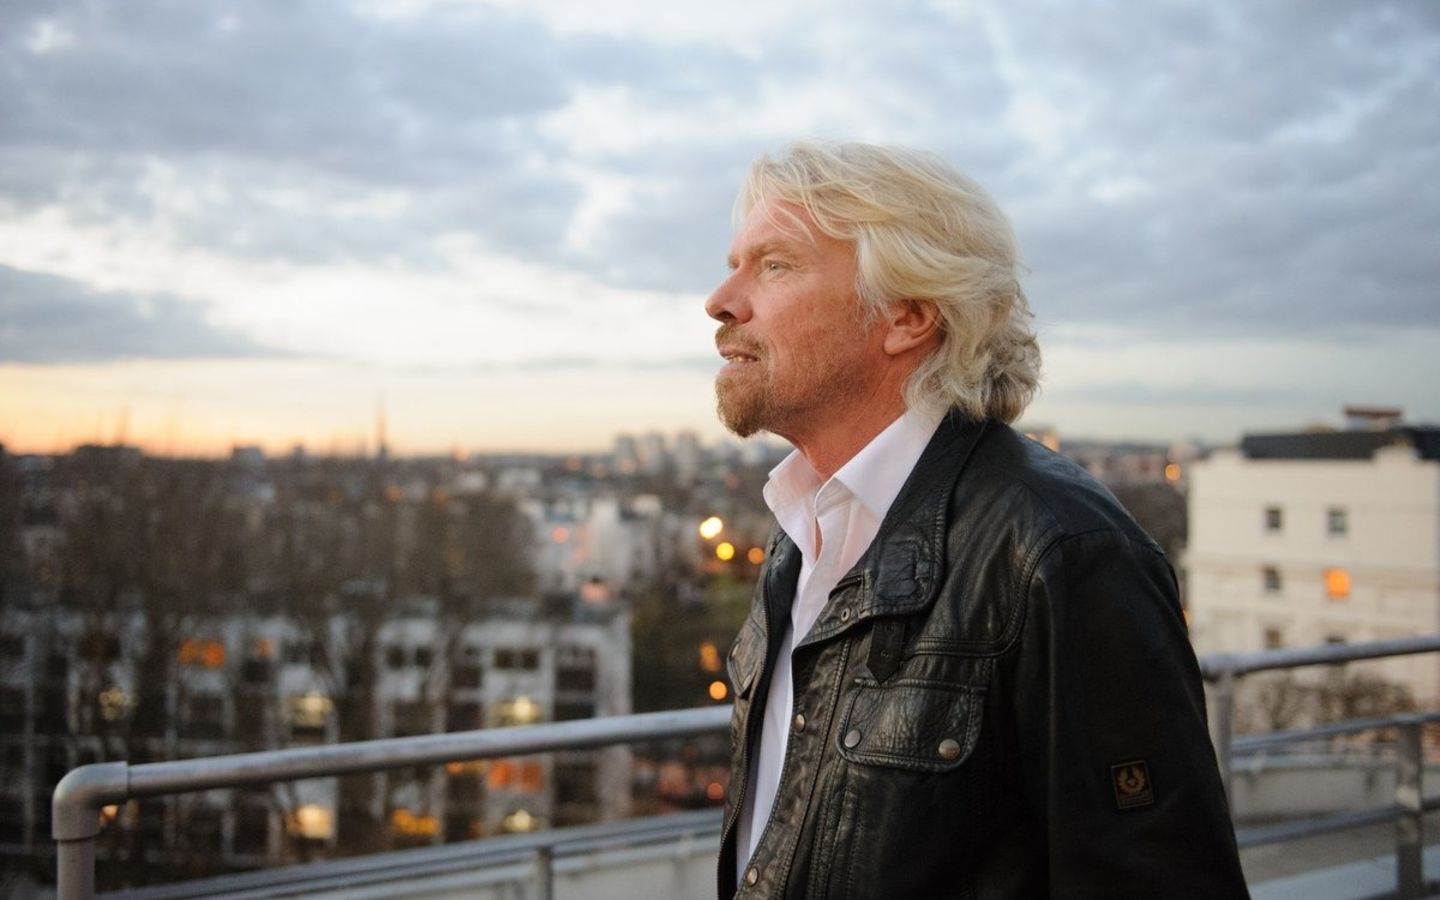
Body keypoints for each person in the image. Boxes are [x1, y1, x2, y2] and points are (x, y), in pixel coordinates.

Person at [706, 142, 1247, 899]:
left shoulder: (1058, 551)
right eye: (735, 263)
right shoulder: (805, 528)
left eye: (774, 265)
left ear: (908, 315)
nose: (721, 299)